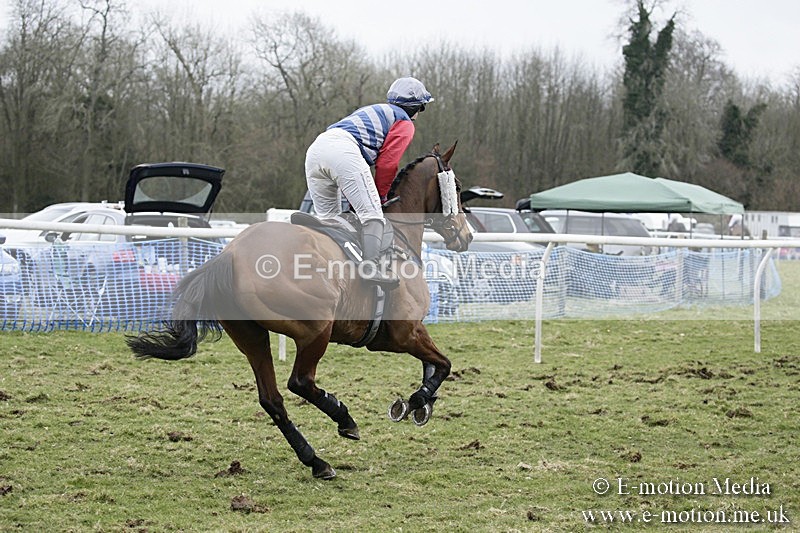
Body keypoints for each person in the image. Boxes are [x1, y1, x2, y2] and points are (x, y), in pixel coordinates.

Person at [304, 77, 434, 287]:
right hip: (343, 151)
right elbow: (387, 163)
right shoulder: (404, 122)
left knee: (331, 221)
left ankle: (330, 273)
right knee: (372, 214)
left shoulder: (375, 110)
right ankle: (370, 268)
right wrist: (381, 196)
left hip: (316, 150)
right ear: (416, 106)